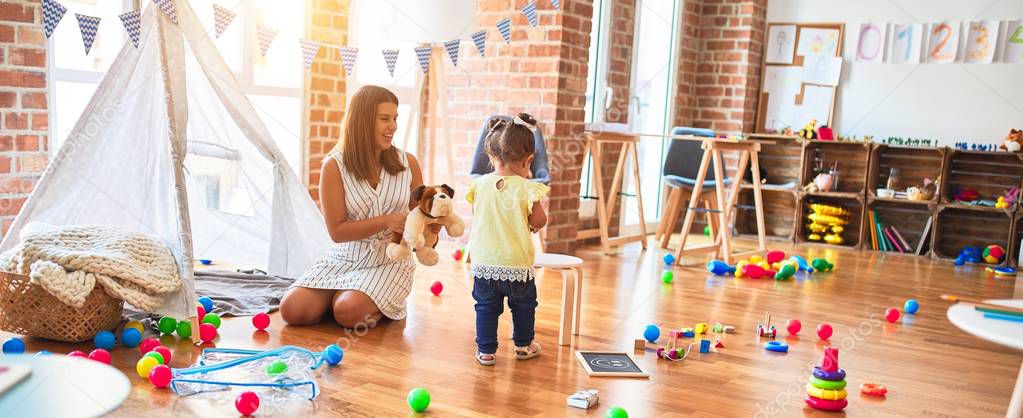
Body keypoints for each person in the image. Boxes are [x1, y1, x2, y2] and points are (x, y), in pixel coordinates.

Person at [280, 85, 424, 329]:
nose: (393, 126)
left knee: (348, 311)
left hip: (389, 261)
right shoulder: (334, 166)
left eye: (395, 118)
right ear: (363, 121)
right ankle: (346, 296)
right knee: (291, 310)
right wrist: (386, 220)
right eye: (385, 119)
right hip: (344, 256)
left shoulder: (407, 163)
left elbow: (422, 216)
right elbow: (337, 232)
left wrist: (424, 230)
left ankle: (357, 299)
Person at [465, 113, 549, 366]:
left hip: (484, 262)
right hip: (517, 264)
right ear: (529, 160)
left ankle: (486, 351)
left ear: (491, 158)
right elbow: (539, 221)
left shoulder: (478, 186)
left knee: (486, 307)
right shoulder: (527, 188)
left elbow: (479, 214)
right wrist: (528, 224)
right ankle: (523, 346)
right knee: (524, 306)